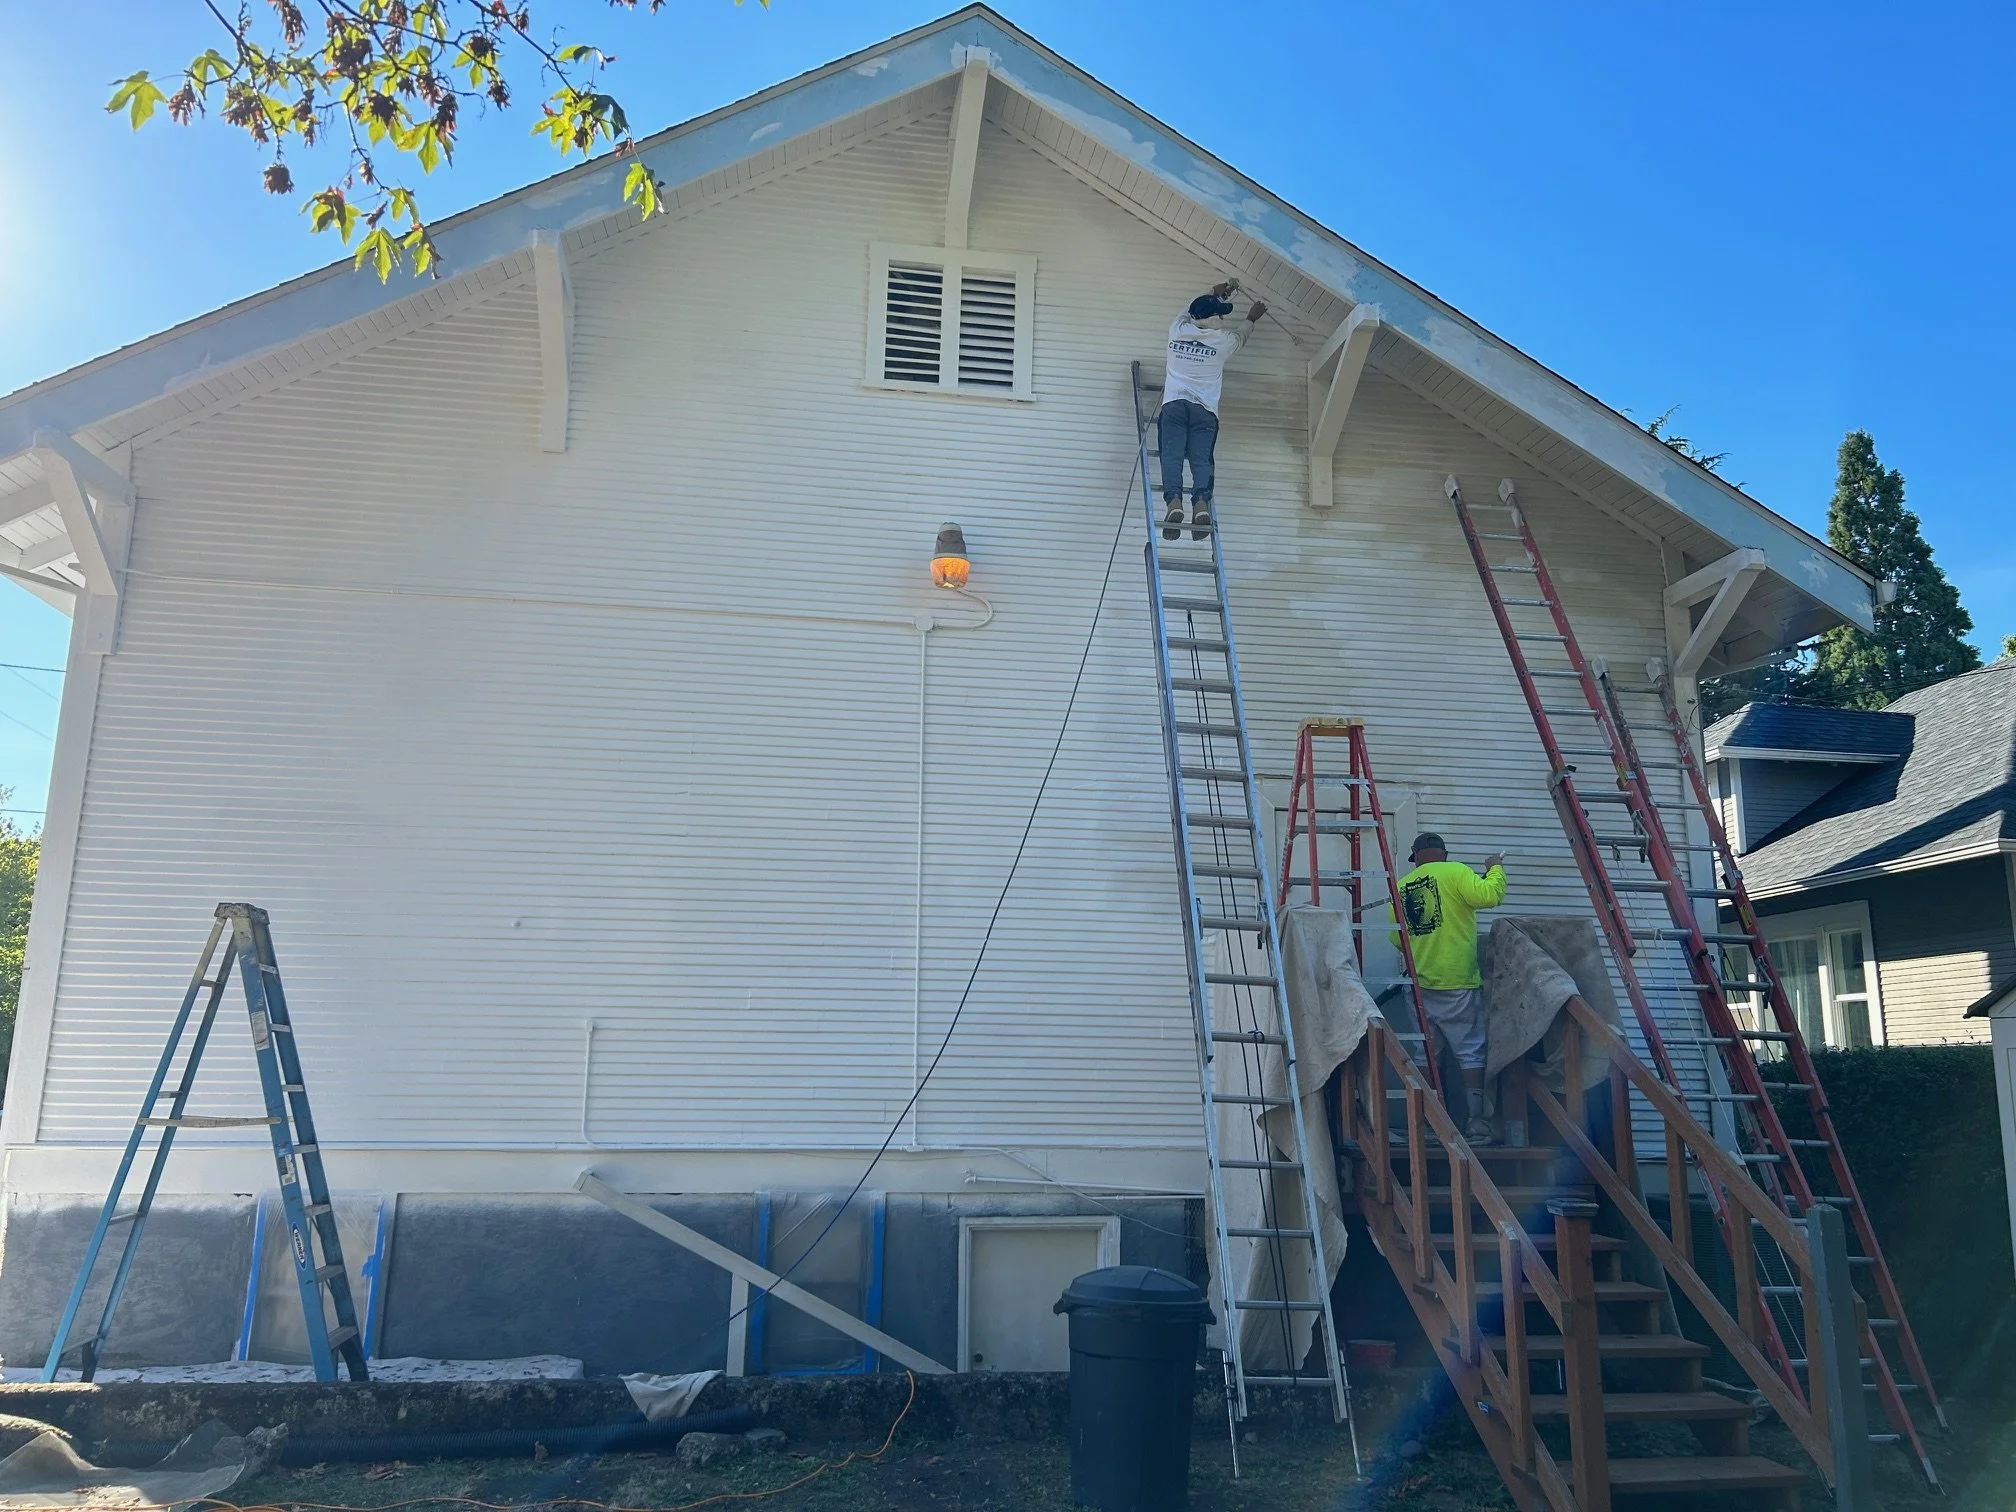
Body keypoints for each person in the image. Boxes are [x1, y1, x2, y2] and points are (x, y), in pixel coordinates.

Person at [1394, 832, 1507, 1142]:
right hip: (1458, 980)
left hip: (1419, 984)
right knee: (1470, 1051)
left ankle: (1428, 1121)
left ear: (1416, 857)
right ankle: (1476, 1121)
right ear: (1443, 854)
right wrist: (1495, 867)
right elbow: (1488, 896)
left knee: (1426, 1051)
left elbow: (1396, 937)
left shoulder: (1403, 886)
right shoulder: (1457, 871)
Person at [1159, 283, 1266, 541]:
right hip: (1204, 412)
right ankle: (1201, 507)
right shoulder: (1223, 342)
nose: (1222, 318)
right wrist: (1252, 316)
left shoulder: (1177, 330)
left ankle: (1174, 503)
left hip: (1174, 406)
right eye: (1219, 314)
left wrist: (1214, 291)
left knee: (1171, 457)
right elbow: (1242, 334)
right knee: (1202, 460)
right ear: (1212, 319)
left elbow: (1189, 309)